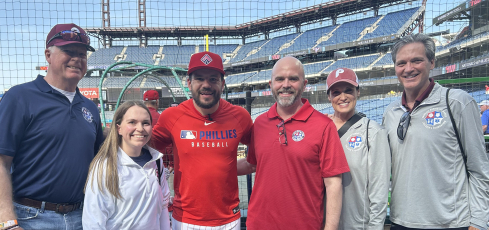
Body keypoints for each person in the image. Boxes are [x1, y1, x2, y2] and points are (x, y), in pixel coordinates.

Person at [0, 23, 104, 230]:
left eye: (82, 54)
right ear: (48, 55)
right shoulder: (20, 97)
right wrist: (7, 222)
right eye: (68, 51)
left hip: (82, 215)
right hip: (31, 218)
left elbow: (100, 164)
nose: (77, 59)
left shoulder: (90, 107)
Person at [382, 33, 489, 230]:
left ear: (432, 62)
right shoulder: (390, 112)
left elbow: (479, 169)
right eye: (401, 63)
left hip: (450, 223)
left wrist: (479, 222)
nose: (408, 69)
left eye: (416, 61)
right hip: (401, 221)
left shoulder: (457, 102)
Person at [238, 56, 349, 230]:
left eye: (293, 79)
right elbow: (252, 164)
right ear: (271, 84)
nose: (286, 84)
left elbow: (333, 183)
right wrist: (213, 167)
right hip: (258, 224)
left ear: (304, 85)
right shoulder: (259, 123)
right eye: (280, 79)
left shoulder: (324, 126)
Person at [151, 51, 253, 230]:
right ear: (189, 83)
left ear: (222, 83)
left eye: (213, 79)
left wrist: (225, 169)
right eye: (199, 79)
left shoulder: (240, 116)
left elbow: (256, 160)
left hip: (229, 219)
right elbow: (145, 152)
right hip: (185, 220)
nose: (206, 85)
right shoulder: (171, 117)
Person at [83, 101, 170, 230]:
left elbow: (163, 207)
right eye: (132, 122)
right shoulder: (105, 166)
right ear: (119, 129)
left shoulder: (156, 161)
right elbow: (93, 221)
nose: (140, 128)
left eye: (145, 123)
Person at [326, 67, 390, 230]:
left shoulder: (372, 131)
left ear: (358, 92)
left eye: (348, 90)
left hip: (357, 225)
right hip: (324, 224)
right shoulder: (321, 130)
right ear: (329, 97)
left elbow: (379, 188)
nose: (343, 97)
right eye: (336, 92)